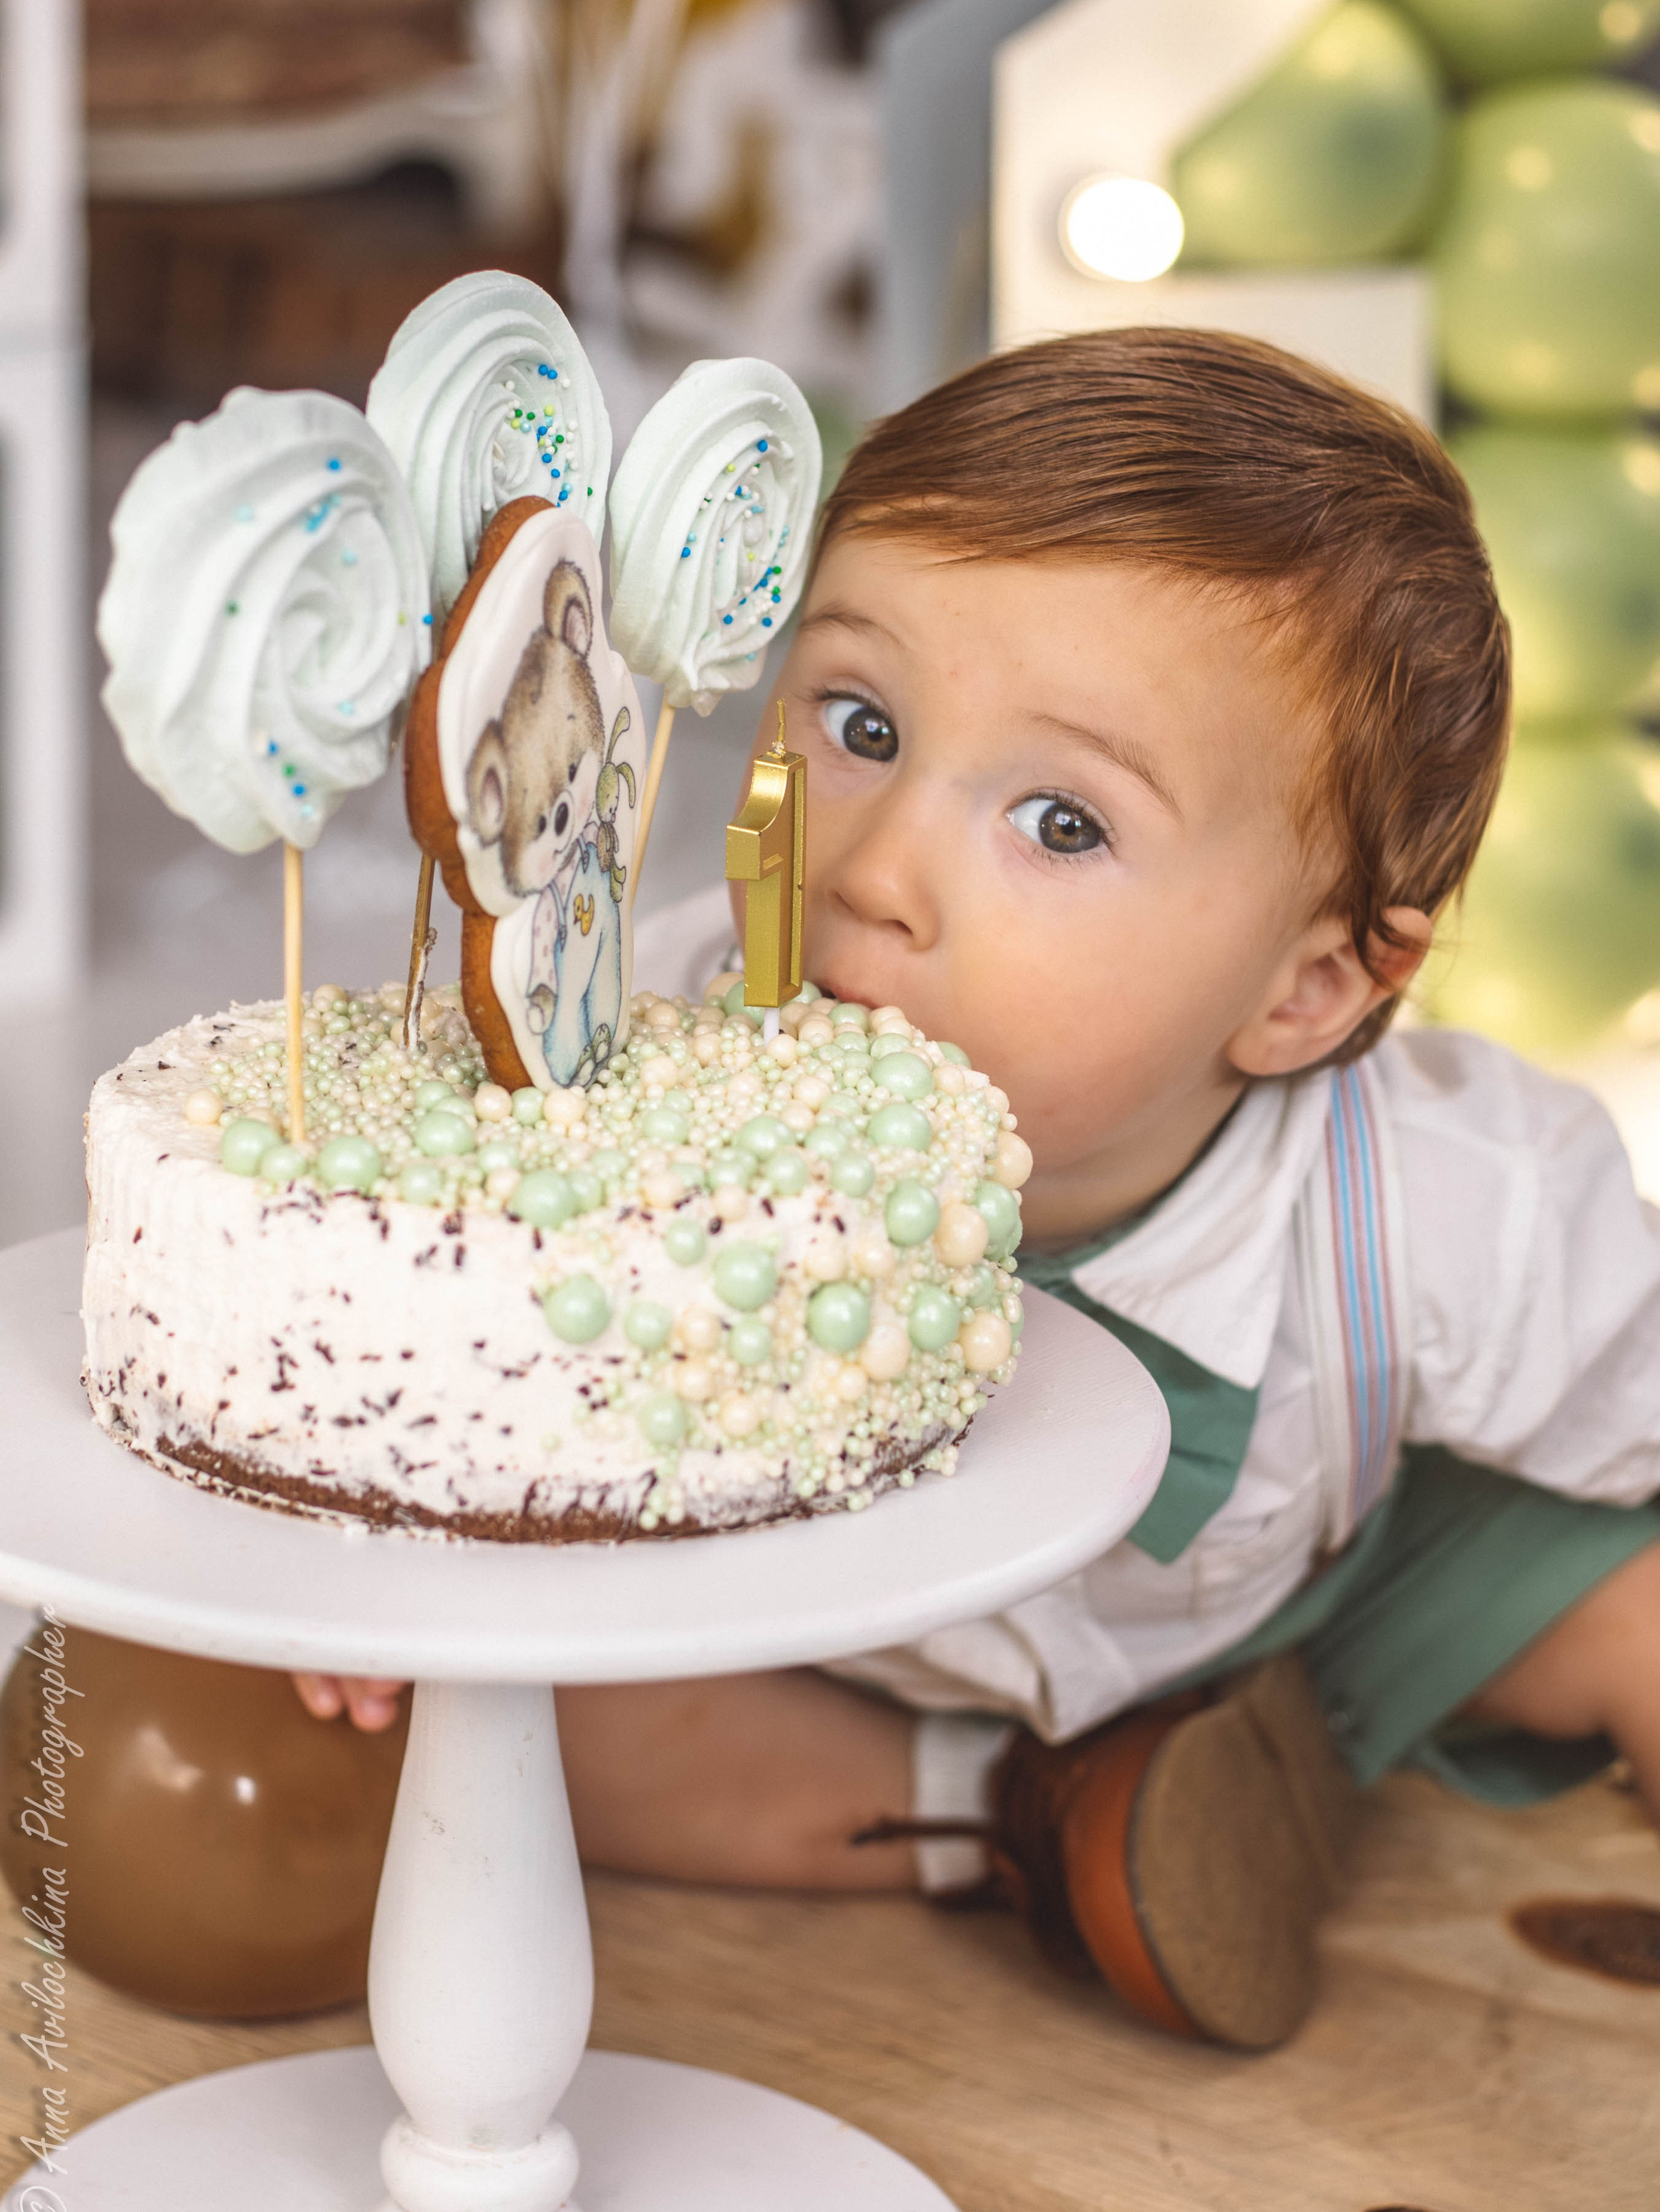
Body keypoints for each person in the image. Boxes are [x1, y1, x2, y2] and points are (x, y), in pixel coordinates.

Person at [295, 329, 1660, 2051]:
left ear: (1306, 990)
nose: (877, 869)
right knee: (470, 1721)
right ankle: (1029, 1817)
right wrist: (378, 1565)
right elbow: (448, 1318)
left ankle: (1216, 1762)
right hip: (832, 1664)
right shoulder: (631, 1046)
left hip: (1324, 1596)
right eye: (859, 725)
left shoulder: (1458, 1210)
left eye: (1062, 824)